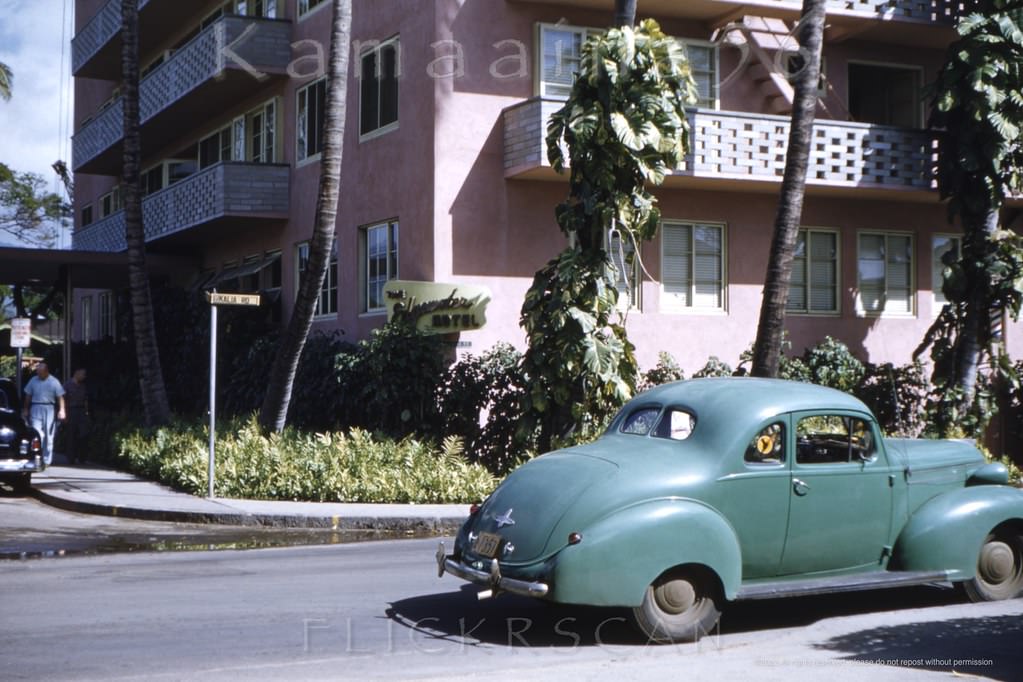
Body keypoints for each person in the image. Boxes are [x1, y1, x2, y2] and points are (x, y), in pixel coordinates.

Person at [22, 362, 66, 467]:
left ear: (46, 371)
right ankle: (36, 457)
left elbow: (60, 397)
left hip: (49, 408)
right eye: (38, 372)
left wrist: (62, 410)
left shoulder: (54, 381)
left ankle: (47, 460)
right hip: (36, 407)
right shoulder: (33, 380)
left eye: (41, 373)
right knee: (37, 433)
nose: (39, 375)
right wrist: (25, 409)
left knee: (49, 435)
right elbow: (28, 395)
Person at [63, 368, 90, 465]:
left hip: (81, 410)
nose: (84, 377)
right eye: (83, 374)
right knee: (71, 434)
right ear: (76, 373)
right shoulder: (67, 385)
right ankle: (71, 458)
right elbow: (63, 400)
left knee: (84, 433)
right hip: (71, 410)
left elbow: (86, 399)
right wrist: (64, 414)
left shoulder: (83, 386)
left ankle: (82, 457)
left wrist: (86, 412)